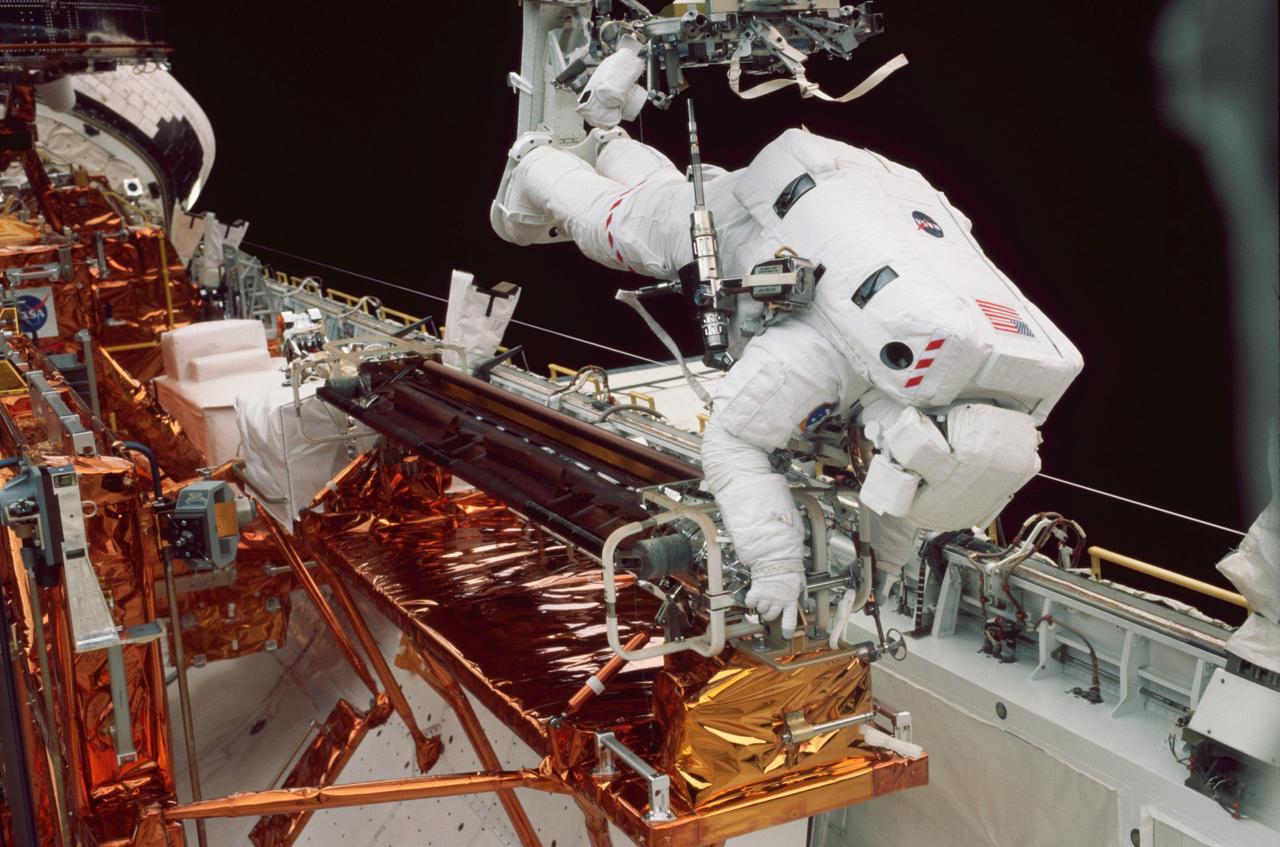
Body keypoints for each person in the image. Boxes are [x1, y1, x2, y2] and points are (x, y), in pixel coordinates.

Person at [493, 51, 1082, 638]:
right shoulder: (832, 360)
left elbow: (902, 497)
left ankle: (611, 137)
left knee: (674, 191)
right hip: (738, 225)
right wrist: (775, 562)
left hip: (848, 194)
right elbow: (732, 444)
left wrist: (886, 572)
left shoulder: (977, 389)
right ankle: (535, 158)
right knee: (620, 223)